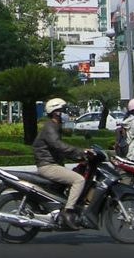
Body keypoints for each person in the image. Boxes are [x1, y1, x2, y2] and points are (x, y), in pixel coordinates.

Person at [32, 98, 89, 230]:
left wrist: (78, 156)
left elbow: (59, 149)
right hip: (48, 166)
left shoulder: (54, 126)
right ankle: (67, 212)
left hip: (52, 163)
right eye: (63, 111)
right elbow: (58, 146)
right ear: (55, 112)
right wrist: (80, 152)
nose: (66, 114)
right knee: (79, 180)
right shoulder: (50, 127)